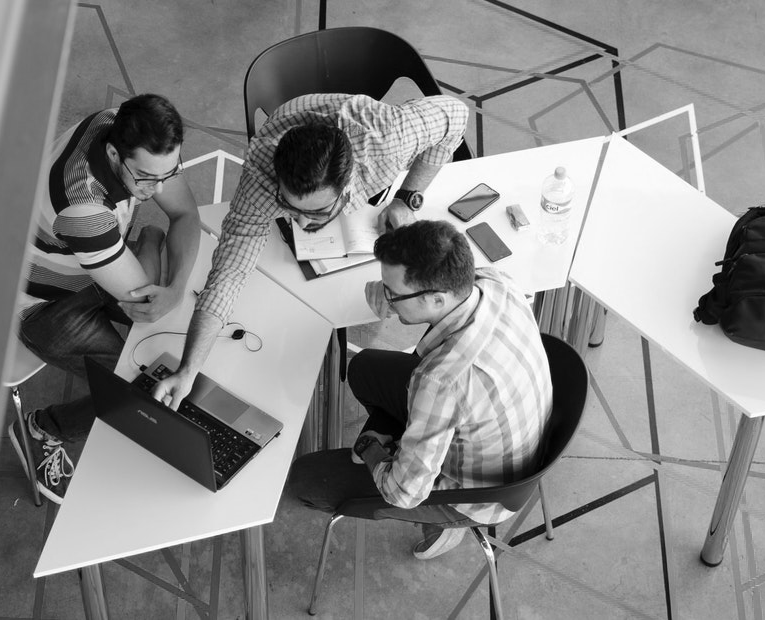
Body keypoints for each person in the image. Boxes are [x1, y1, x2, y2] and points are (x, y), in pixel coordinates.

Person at [152, 93, 469, 410]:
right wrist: (188, 370)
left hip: (364, 127)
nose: (301, 223)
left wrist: (407, 196)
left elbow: (457, 114)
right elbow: (228, 274)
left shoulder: (387, 140)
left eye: (316, 213)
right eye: (289, 207)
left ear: (347, 188)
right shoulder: (260, 177)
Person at [285, 220, 553, 559]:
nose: (386, 299)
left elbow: (403, 493)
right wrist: (385, 290)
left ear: (437, 298)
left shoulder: (441, 380)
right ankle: (419, 446)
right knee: (364, 368)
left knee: (306, 479)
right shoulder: (495, 282)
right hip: (510, 438)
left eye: (392, 294)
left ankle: (441, 523)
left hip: (476, 494)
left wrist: (371, 449)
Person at [9, 94, 201, 503]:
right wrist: (151, 241)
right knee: (136, 387)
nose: (160, 188)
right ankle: (44, 428)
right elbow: (147, 301)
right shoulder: (84, 210)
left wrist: (176, 288)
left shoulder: (119, 123)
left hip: (91, 265)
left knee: (173, 335)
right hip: (42, 305)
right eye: (147, 178)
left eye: (170, 172)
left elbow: (185, 214)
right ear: (114, 153)